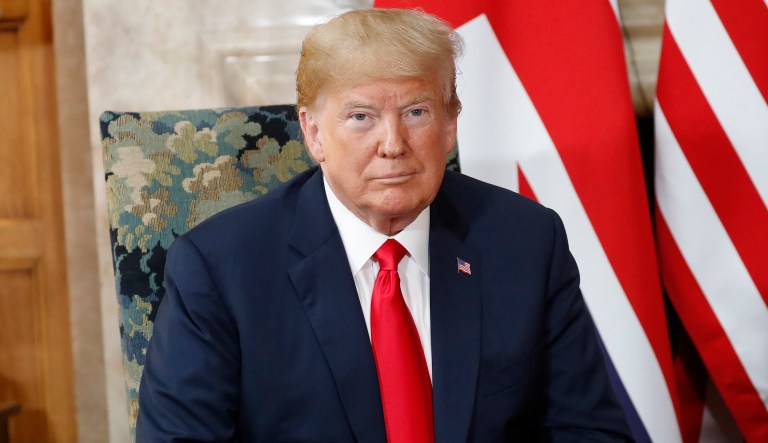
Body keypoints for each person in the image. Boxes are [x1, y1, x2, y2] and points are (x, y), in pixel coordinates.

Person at [136, 8, 633, 442]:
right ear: (313, 131)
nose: (393, 143)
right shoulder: (221, 268)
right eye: (360, 117)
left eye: (416, 112)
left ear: (450, 124)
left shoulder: (525, 241)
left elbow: (589, 429)